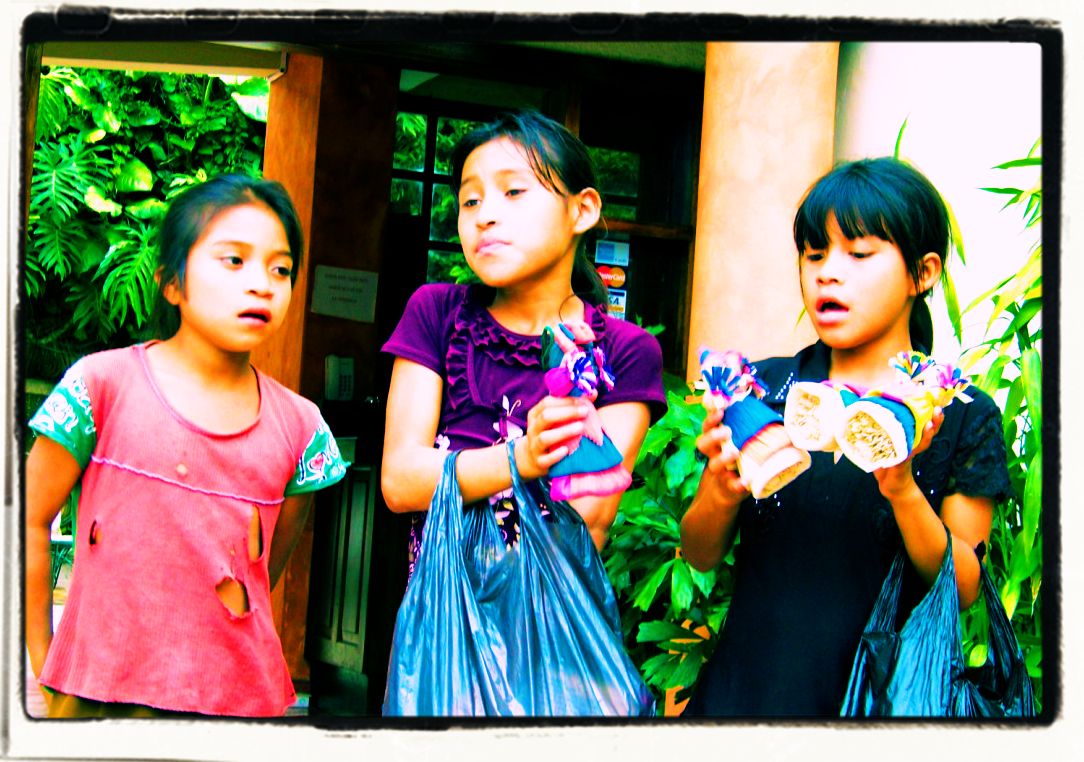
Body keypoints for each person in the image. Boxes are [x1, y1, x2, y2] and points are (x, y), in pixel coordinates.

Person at [679, 157, 1011, 717]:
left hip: (879, 706)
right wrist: (721, 486)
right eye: (814, 255)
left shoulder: (958, 413)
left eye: (858, 254)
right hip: (744, 697)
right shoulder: (761, 389)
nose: (827, 274)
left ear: (923, 273)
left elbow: (963, 588)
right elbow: (699, 552)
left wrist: (902, 488)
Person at [25, 174, 348, 718]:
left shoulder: (302, 428)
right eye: (234, 260)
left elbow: (262, 571)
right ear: (172, 283)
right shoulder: (99, 386)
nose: (262, 284)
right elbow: (27, 521)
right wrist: (43, 662)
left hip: (235, 709)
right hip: (97, 699)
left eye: (281, 268)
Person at [381, 108, 666, 577]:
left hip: (549, 614)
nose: (485, 216)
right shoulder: (435, 313)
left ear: (582, 210)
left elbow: (588, 522)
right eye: (470, 201)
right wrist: (522, 457)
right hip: (438, 612)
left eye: (513, 192)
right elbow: (400, 480)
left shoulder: (624, 351)